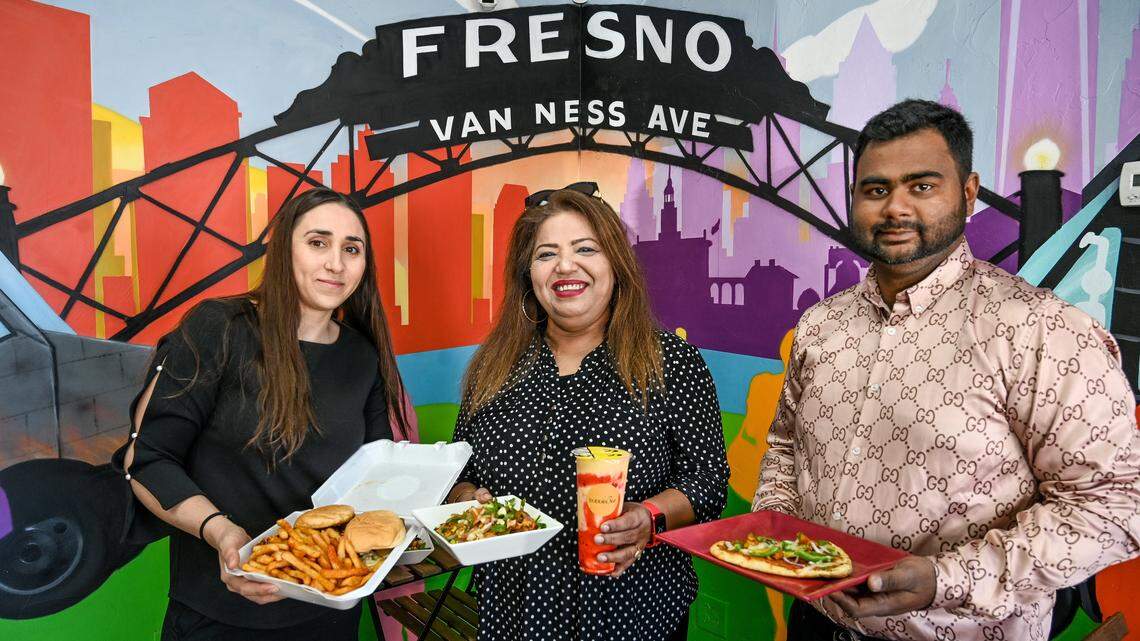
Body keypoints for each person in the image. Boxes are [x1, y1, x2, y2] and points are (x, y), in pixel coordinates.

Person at [754, 99, 1140, 641]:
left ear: (967, 191)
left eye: (922, 186)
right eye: (876, 189)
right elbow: (786, 445)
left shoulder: (1041, 330)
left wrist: (945, 579)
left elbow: (1116, 504)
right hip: (817, 624)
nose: (895, 208)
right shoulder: (821, 325)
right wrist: (778, 534)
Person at [110, 188, 409, 640]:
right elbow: (148, 460)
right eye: (317, 242)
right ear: (284, 249)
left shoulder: (362, 356)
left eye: (352, 249)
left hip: (330, 612)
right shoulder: (219, 328)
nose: (336, 263)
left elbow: (374, 477)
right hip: (218, 615)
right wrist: (222, 534)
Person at [447, 183, 729, 641]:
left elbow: (708, 481)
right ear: (529, 275)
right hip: (511, 612)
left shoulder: (671, 361)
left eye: (585, 249)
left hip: (631, 614)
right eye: (546, 255)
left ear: (615, 265)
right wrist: (464, 502)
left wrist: (649, 517)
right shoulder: (492, 368)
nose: (565, 266)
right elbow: (461, 470)